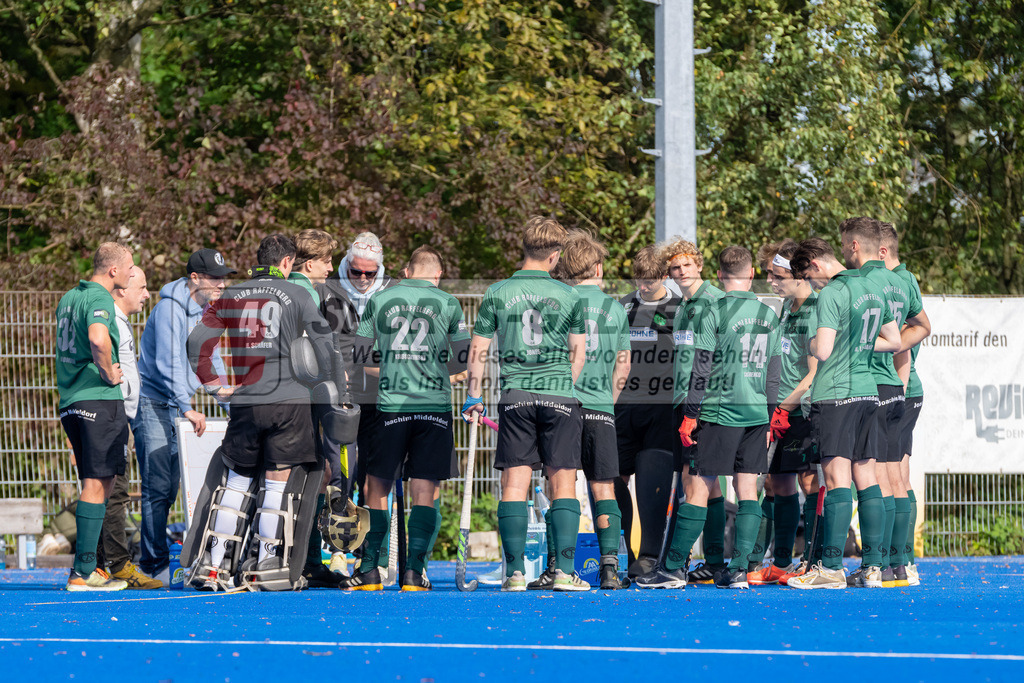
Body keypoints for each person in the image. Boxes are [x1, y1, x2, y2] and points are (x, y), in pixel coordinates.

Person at [187, 234, 335, 588]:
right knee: (275, 484)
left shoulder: (231, 296)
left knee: (236, 482)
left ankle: (214, 563)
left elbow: (196, 344)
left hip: (247, 399)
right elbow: (325, 346)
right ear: (287, 263)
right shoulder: (299, 293)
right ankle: (266, 565)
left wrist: (215, 387)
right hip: (290, 401)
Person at [638, 246, 781, 590]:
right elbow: (773, 372)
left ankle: (672, 569)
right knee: (748, 490)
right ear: (751, 274)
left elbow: (702, 367)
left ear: (716, 274)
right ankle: (738, 570)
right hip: (756, 412)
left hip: (719, 410)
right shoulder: (769, 313)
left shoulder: (714, 309)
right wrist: (769, 416)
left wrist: (691, 415)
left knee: (697, 485)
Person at [463, 216, 589, 592]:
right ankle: (564, 573)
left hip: (516, 396)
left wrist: (474, 395)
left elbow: (479, 350)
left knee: (515, 483)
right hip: (559, 395)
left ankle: (515, 573)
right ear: (555, 255)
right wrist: (564, 385)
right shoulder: (569, 295)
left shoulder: (497, 292)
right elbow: (578, 352)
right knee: (562, 481)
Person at [344, 246, 470, 591]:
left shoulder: (381, 300)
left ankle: (370, 571)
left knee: (376, 487)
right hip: (434, 408)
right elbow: (463, 359)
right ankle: (414, 573)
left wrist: (394, 369)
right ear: (439, 274)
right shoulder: (448, 303)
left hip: (392, 406)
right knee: (424, 491)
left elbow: (360, 355)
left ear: (405, 270)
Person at [787, 234, 901, 589]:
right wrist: (860, 345)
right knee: (867, 479)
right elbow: (895, 341)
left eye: (808, 277)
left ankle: (831, 568)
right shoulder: (872, 287)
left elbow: (822, 351)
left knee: (836, 480)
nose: (810, 284)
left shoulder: (831, 293)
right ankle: (872, 568)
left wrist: (808, 342)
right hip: (868, 391)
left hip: (836, 393)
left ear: (815, 264)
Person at [135, 248, 234, 583]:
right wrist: (187, 405)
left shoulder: (207, 310)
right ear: (195, 278)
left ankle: (157, 560)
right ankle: (153, 566)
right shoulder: (168, 310)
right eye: (215, 278)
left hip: (177, 407)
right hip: (154, 404)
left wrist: (229, 403)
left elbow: (211, 358)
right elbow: (166, 365)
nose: (222, 284)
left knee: (173, 486)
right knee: (158, 487)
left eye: (224, 278)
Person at [542, 231, 631, 590]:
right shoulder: (615, 307)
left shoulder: (557, 301)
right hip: (600, 406)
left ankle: (558, 565)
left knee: (559, 486)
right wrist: (606, 400)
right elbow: (622, 368)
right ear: (597, 267)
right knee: (603, 487)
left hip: (561, 404)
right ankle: (609, 568)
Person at [56, 242, 133, 591]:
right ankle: (84, 570)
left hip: (71, 400)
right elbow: (98, 338)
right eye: (129, 268)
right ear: (113, 270)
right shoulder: (101, 298)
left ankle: (88, 567)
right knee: (97, 484)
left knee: (97, 482)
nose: (132, 274)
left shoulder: (69, 296)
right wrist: (108, 373)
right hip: (98, 399)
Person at [320, 232, 396, 574]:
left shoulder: (392, 292)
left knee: (376, 478)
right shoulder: (328, 289)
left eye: (370, 273)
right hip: (343, 396)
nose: (363, 279)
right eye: (356, 272)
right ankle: (336, 549)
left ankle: (373, 554)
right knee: (339, 474)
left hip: (380, 395)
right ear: (346, 264)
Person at [748, 240, 821, 586]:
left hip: (801, 410)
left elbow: (813, 374)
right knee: (776, 482)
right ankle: (779, 563)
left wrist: (783, 408)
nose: (772, 282)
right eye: (769, 275)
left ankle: (814, 559)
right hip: (780, 410)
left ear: (798, 275)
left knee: (810, 482)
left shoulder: (816, 310)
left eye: (777, 276)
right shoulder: (786, 308)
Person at [613, 245, 681, 577]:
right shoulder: (622, 307)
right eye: (639, 279)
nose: (643, 286)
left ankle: (650, 556)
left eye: (650, 281)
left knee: (653, 482)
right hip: (622, 407)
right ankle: (619, 551)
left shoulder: (679, 309)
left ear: (665, 276)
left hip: (661, 409)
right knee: (613, 479)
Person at [663, 238, 725, 584]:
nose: (681, 271)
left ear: (699, 266)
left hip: (704, 404)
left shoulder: (714, 301)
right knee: (708, 485)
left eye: (687, 264)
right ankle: (713, 561)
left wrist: (695, 409)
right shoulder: (683, 306)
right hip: (683, 401)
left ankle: (677, 565)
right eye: (675, 267)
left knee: (696, 482)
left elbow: (711, 360)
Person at [96, 265, 162, 589]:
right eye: (143, 288)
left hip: (118, 415)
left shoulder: (119, 322)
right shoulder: (110, 322)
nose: (147, 295)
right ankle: (118, 565)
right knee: (114, 491)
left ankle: (96, 566)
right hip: (110, 414)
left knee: (104, 490)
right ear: (122, 289)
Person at [288, 229, 346, 587]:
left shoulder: (276, 288)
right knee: (314, 474)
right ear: (309, 263)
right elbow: (319, 347)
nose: (331, 267)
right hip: (304, 397)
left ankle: (296, 559)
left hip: (271, 395)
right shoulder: (306, 291)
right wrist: (337, 386)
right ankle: (307, 561)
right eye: (326, 261)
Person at [878, 223, 931, 586]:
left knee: (890, 472)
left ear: (880, 251)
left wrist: (896, 388)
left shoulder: (898, 280)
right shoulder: (902, 278)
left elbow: (911, 336)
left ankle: (894, 562)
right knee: (898, 472)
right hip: (902, 388)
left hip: (899, 388)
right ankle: (902, 562)